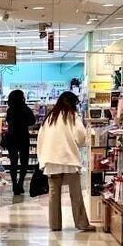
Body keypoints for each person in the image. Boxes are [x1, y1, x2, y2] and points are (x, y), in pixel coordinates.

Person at [37, 91, 94, 232]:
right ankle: (82, 224)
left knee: (54, 194)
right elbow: (81, 136)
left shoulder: (50, 117)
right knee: (76, 193)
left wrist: (42, 159)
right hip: (69, 159)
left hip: (51, 160)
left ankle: (55, 225)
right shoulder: (72, 116)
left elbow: (41, 139)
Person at [5, 89, 36, 195]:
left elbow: (8, 121)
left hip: (12, 137)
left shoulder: (10, 110)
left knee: (13, 162)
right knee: (24, 162)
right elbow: (32, 121)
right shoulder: (26, 109)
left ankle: (14, 184)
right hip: (23, 137)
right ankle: (21, 183)